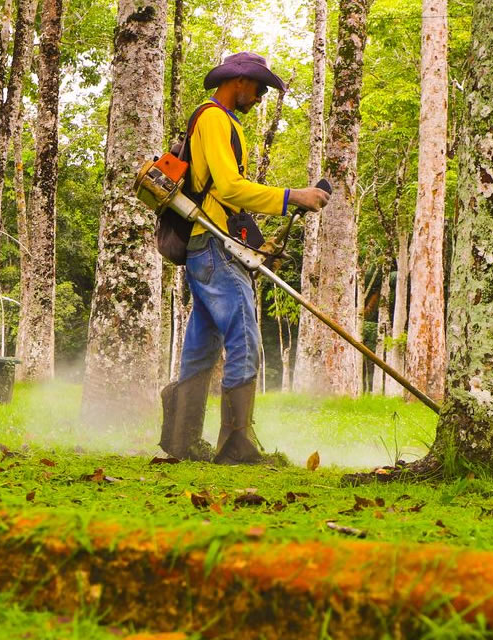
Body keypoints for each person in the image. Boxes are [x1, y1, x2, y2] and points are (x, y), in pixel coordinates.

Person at [160, 52, 330, 465]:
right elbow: (231, 188)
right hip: (215, 247)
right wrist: (293, 197)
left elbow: (224, 194)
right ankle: (237, 445)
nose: (259, 97)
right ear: (238, 81)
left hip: (207, 244)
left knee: (202, 346)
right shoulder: (215, 118)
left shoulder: (220, 121)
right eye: (258, 88)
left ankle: (181, 441)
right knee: (245, 339)